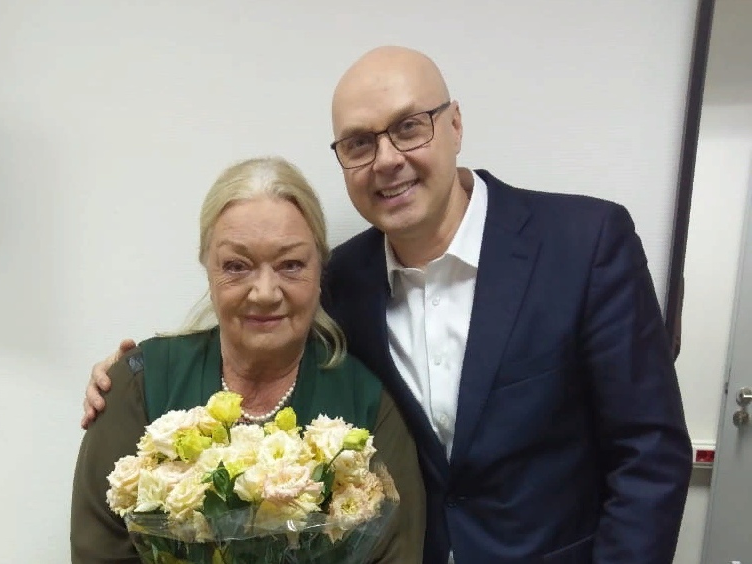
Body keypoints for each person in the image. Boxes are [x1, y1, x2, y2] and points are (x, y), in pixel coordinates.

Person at [81, 47, 692, 563]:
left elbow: (650, 454)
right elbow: (259, 333)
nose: (388, 160)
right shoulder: (341, 282)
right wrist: (124, 375)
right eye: (359, 143)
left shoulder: (584, 243)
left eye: (409, 127)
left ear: (455, 124)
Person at [70, 156, 426, 563]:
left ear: (320, 269)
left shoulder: (365, 404)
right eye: (237, 266)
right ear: (208, 268)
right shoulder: (140, 386)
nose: (265, 292)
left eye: (291, 265)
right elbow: (99, 551)